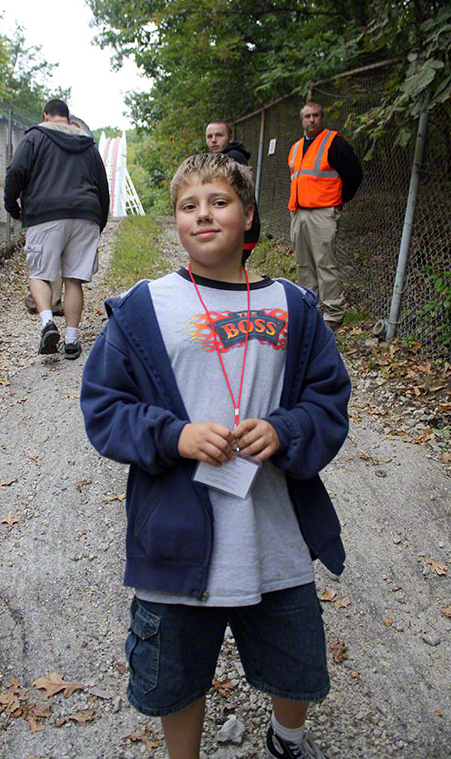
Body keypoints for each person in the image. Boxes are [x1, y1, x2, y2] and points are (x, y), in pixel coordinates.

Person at [81, 152, 350, 759]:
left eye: (220, 202)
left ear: (249, 215)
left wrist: (286, 430)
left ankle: (288, 739)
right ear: (176, 220)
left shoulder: (294, 307)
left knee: (294, 658)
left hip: (274, 533)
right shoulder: (145, 307)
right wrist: (173, 435)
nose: (203, 215)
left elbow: (329, 399)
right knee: (175, 674)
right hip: (178, 541)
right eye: (188, 205)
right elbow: (103, 406)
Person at [4, 98, 109, 359]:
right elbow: (102, 184)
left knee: (39, 273)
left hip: (45, 215)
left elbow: (16, 170)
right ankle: (72, 340)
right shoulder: (87, 144)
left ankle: (48, 323)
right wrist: (99, 220)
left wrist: (13, 207)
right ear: (68, 118)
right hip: (86, 214)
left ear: (45, 115)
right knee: (74, 279)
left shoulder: (35, 137)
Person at [288, 102, 363, 331]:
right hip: (299, 212)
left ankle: (333, 312)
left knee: (325, 263)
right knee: (303, 263)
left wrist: (338, 201)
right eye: (307, 116)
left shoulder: (333, 142)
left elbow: (354, 174)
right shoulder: (296, 147)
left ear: (322, 117)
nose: (312, 120)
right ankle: (308, 306)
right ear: (302, 120)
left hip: (322, 212)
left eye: (316, 116)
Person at [206, 119, 261, 263]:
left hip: (241, 230)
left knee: (225, 272)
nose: (214, 140)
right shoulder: (218, 159)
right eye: (209, 136)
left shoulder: (233, 158)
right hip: (234, 228)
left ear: (230, 138)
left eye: (219, 135)